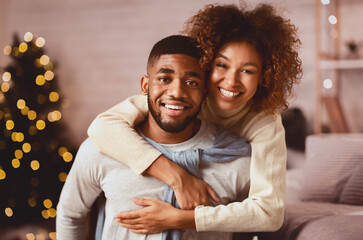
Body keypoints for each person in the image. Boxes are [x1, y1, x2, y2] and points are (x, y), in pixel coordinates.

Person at [88, 2, 302, 234]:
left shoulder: (265, 123)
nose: (231, 81)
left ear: (264, 76)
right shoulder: (183, 99)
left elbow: (269, 214)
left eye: (247, 71)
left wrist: (181, 218)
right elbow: (102, 127)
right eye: (222, 65)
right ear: (207, 63)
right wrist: (177, 177)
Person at [56, 35, 251, 240]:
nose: (176, 92)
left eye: (191, 82)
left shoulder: (237, 159)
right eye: (164, 79)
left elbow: (251, 228)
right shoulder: (101, 150)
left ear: (204, 94)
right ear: (145, 86)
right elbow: (70, 215)